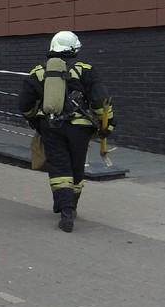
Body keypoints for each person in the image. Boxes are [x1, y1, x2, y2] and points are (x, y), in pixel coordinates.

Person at [18, 30, 114, 233]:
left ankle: (65, 210)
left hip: (52, 127)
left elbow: (25, 104)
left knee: (60, 168)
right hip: (80, 129)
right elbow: (100, 101)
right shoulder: (85, 69)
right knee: (76, 166)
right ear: (74, 50)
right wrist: (108, 125)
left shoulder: (38, 72)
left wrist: (35, 121)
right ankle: (72, 205)